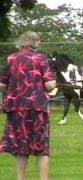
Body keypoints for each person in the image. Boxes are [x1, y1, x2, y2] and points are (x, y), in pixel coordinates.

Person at [0, 31, 56, 180]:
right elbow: (49, 84)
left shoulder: (11, 59)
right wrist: (53, 85)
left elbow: (2, 84)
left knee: (20, 147)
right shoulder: (40, 58)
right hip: (37, 107)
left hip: (16, 107)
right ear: (36, 43)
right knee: (42, 147)